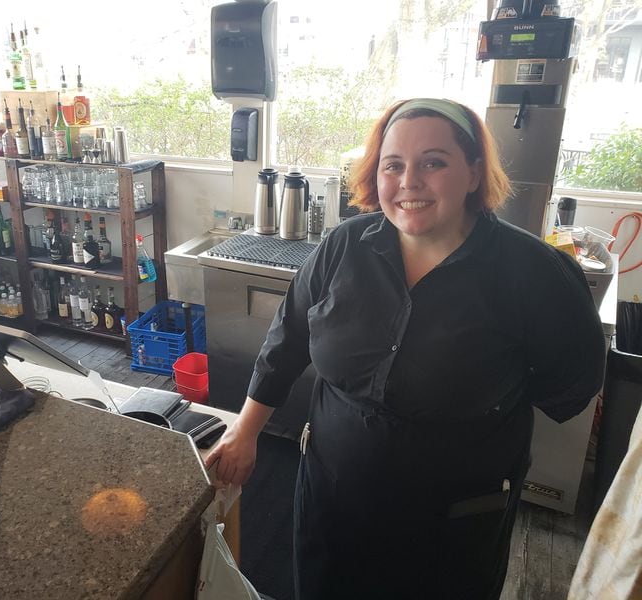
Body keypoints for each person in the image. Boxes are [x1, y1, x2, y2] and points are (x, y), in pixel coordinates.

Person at [205, 98, 606, 599]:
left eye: (433, 162)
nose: (409, 181)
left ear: (475, 173)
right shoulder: (344, 246)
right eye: (393, 165)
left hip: (453, 521)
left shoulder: (532, 273)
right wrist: (246, 430)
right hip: (333, 495)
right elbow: (288, 338)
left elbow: (573, 382)